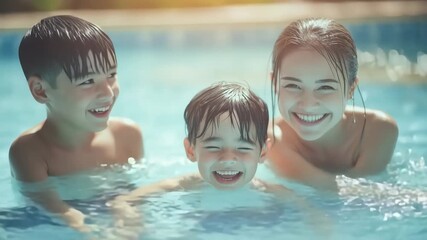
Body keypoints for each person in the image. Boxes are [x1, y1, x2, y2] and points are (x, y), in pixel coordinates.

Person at [108, 83, 330, 238]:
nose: (228, 159)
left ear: (263, 152)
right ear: (191, 149)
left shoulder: (275, 193)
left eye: (243, 148)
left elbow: (315, 218)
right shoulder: (181, 186)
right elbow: (124, 201)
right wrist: (130, 223)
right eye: (214, 147)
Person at [8, 15, 143, 232]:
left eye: (111, 75)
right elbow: (56, 212)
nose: (107, 93)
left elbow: (132, 199)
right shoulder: (29, 153)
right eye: (88, 81)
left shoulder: (127, 136)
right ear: (41, 90)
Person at [267, 18, 398, 190]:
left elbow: (359, 198)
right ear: (275, 83)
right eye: (293, 85)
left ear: (351, 89)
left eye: (325, 87)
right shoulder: (270, 138)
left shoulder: (378, 131)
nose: (308, 104)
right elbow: (333, 190)